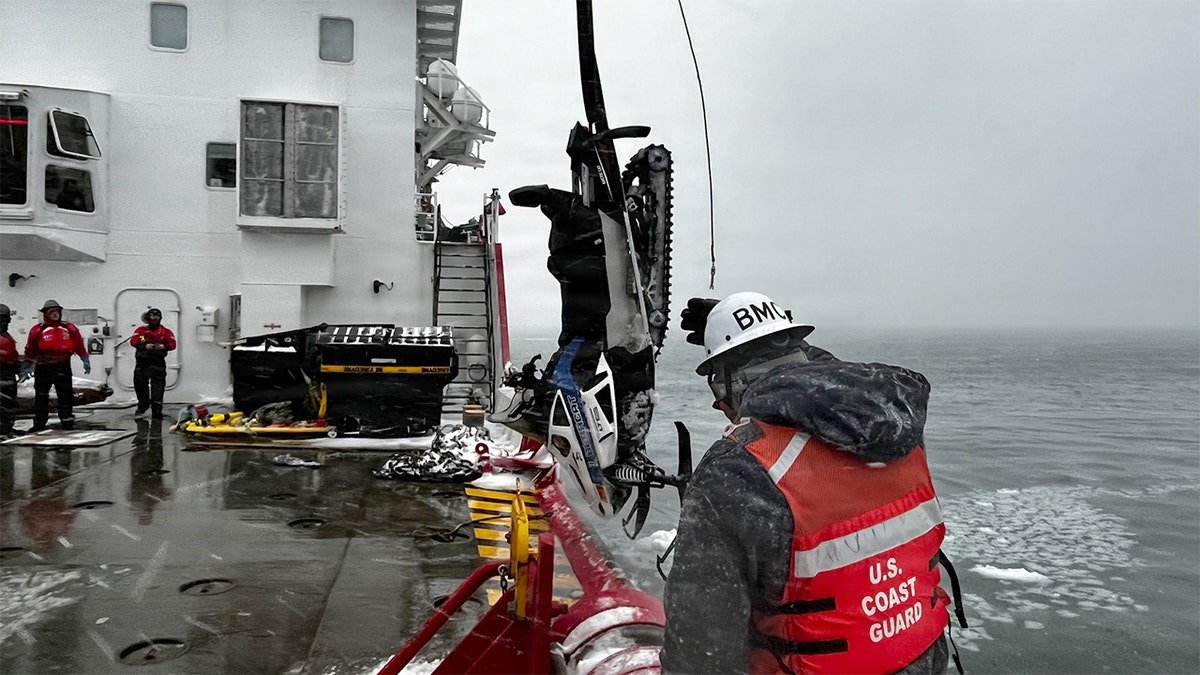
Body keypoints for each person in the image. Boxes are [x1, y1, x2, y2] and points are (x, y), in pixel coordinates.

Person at [661, 292, 962, 675]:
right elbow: (826, 388)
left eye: (719, 389)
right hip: (923, 661)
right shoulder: (890, 424)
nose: (719, 406)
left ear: (734, 384)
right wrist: (753, 328)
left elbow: (701, 644)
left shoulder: (737, 470)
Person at [23, 299, 90, 432]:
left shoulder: (69, 328)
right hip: (44, 366)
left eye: (57, 311)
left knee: (65, 395)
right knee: (41, 396)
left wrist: (85, 359)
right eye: (51, 311)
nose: (55, 314)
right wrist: (28, 363)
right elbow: (30, 348)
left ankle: (67, 422)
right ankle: (39, 423)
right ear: (46, 314)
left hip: (63, 365)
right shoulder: (37, 330)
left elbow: (78, 344)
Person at [129, 308, 176, 418]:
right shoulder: (141, 330)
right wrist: (145, 345)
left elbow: (173, 344)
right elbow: (134, 341)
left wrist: (163, 346)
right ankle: (142, 406)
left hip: (158, 363)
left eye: (156, 317)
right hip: (142, 363)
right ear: (147, 318)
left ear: (160, 318)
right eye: (152, 316)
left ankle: (157, 411)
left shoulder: (165, 331)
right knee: (140, 386)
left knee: (158, 389)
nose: (154, 319)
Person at [0, 304, 19, 436]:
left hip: (9, 372)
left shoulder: (7, 336)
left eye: (6, 319)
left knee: (9, 402)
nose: (5, 323)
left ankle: (6, 427)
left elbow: (12, 354)